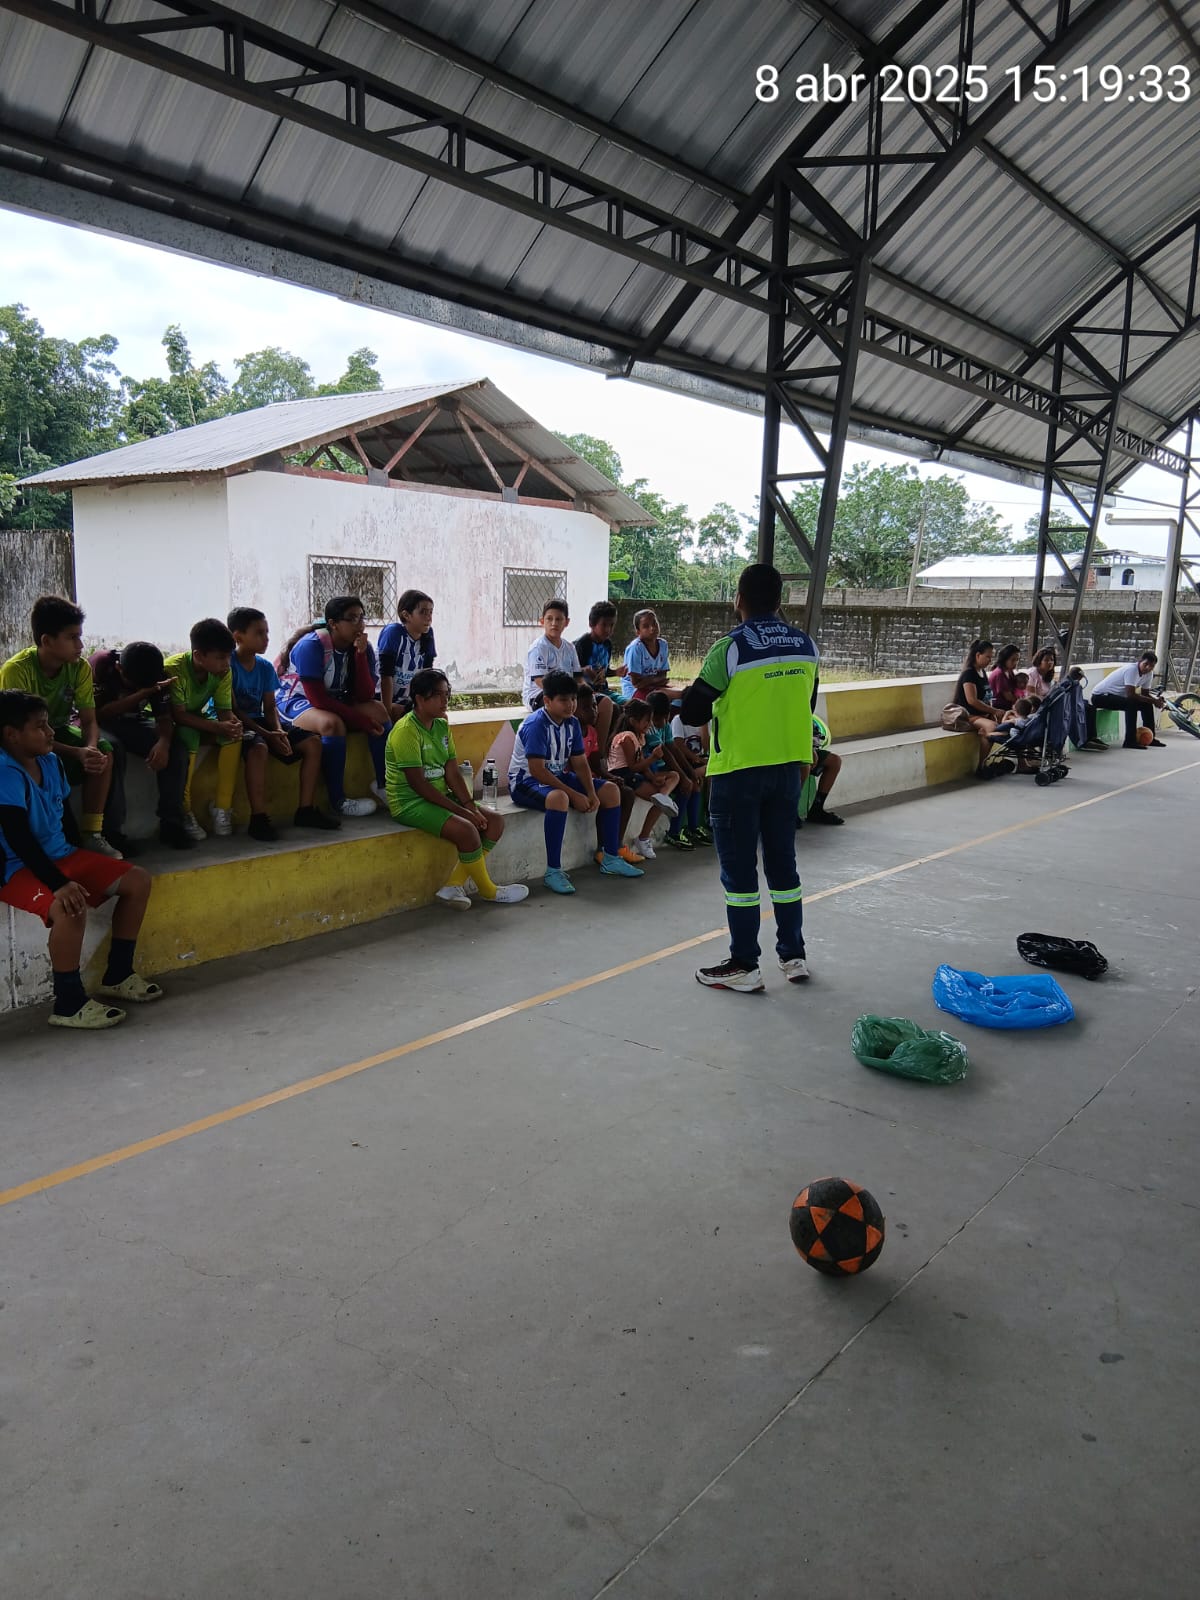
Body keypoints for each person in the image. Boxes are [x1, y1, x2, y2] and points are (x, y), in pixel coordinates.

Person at [680, 563, 819, 992]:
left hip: (738, 773)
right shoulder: (805, 645)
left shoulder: (731, 648)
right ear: (779, 601)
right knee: (783, 867)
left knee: (740, 876)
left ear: (738, 599)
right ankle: (793, 956)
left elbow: (694, 711)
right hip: (787, 771)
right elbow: (807, 703)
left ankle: (744, 963)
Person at [0, 690, 162, 1029]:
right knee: (69, 906)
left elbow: (64, 818)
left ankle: (118, 974)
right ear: (11, 735)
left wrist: (82, 861)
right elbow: (19, 838)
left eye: (48, 724)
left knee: (138, 880)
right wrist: (60, 883)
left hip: (60, 854)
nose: (51, 733)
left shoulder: (49, 761)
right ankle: (68, 1003)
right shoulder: (5, 772)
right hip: (15, 866)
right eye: (40, 726)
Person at [385, 668, 527, 908]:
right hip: (410, 801)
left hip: (439, 795)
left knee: (494, 822)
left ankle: (453, 885)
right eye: (438, 695)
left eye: (447, 694)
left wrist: (471, 806)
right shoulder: (405, 731)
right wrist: (464, 813)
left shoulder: (441, 726)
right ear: (419, 699)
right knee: (467, 830)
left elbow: (451, 772)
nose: (445, 700)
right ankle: (489, 891)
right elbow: (419, 785)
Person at [0, 594, 120, 858]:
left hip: (56, 732)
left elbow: (89, 720)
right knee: (44, 761)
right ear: (47, 641)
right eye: (72, 637)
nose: (80, 645)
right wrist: (76, 752)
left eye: (80, 636)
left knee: (104, 752)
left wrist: (89, 749)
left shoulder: (79, 668)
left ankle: (92, 833)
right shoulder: (16, 670)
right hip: (24, 740)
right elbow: (20, 735)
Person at [508, 670, 643, 894]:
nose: (570, 705)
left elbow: (580, 763)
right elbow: (538, 771)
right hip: (526, 781)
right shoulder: (536, 725)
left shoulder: (571, 723)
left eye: (572, 699)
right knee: (559, 798)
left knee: (611, 791)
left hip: (556, 777)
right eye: (563, 700)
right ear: (547, 700)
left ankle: (610, 857)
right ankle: (553, 871)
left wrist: (590, 792)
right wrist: (574, 795)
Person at [227, 607, 339, 839]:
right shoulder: (228, 665)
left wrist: (278, 731)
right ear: (238, 637)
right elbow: (234, 710)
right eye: (259, 633)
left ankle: (305, 810)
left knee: (313, 743)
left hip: (260, 721)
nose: (266, 638)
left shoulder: (265, 666)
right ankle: (258, 818)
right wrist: (268, 735)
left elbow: (270, 707)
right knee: (258, 749)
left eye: (267, 632)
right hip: (235, 722)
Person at [275, 596, 389, 818]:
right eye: (352, 618)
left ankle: (384, 785)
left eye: (362, 618)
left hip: (333, 699)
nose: (360, 624)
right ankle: (338, 800)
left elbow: (365, 695)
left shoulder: (362, 647)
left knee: (378, 711)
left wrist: (360, 656)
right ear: (333, 623)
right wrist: (360, 721)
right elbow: (319, 700)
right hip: (295, 701)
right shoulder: (311, 646)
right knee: (331, 723)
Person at [90, 640, 191, 851]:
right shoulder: (102, 665)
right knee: (112, 750)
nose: (137, 688)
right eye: (133, 684)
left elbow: (164, 718)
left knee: (177, 749)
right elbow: (96, 715)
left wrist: (163, 743)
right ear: (119, 668)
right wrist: (144, 692)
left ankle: (171, 824)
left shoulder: (156, 673)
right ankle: (112, 832)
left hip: (133, 722)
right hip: (97, 724)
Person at [164, 618, 244, 841]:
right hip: (167, 721)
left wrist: (232, 724)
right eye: (220, 657)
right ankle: (185, 810)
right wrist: (218, 726)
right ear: (199, 656)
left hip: (197, 717)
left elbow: (224, 709)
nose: (227, 663)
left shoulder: (222, 672)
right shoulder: (173, 669)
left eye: (229, 657)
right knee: (188, 735)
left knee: (234, 737)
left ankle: (222, 808)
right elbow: (178, 715)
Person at [575, 682, 642, 866]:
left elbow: (595, 762)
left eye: (594, 706)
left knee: (627, 792)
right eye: (586, 708)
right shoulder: (572, 731)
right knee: (610, 793)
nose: (593, 711)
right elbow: (575, 766)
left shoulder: (592, 731)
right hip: (576, 780)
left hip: (591, 778)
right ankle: (604, 849)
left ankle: (616, 845)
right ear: (574, 708)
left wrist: (609, 776)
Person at [606, 697, 680, 861]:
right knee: (659, 801)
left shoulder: (639, 736)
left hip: (635, 774)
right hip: (623, 774)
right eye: (646, 720)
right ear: (633, 721)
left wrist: (653, 778)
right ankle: (643, 837)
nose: (649, 724)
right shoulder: (626, 737)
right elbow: (633, 766)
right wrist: (654, 757)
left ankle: (663, 797)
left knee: (674, 776)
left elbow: (641, 764)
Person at [646, 690, 704, 850]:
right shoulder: (649, 727)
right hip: (650, 769)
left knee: (693, 782)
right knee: (686, 783)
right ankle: (674, 832)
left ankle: (693, 828)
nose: (660, 722)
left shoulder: (664, 725)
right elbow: (666, 753)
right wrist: (684, 777)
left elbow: (674, 749)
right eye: (657, 719)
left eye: (663, 718)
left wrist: (690, 773)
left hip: (661, 766)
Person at [377, 589, 436, 722]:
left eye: (431, 612)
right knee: (409, 717)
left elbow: (427, 675)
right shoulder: (393, 633)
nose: (429, 618)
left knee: (440, 718)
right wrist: (387, 713)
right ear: (406, 615)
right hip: (383, 699)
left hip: (408, 700)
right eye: (423, 612)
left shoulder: (428, 635)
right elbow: (386, 676)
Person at [1086, 653, 1166, 748]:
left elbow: (1145, 694)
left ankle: (1151, 738)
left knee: (1146, 705)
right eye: (1146, 664)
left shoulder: (1149, 674)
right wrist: (1154, 701)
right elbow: (1131, 695)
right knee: (1131, 704)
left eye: (1151, 666)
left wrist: (1156, 700)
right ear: (1140, 662)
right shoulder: (1132, 670)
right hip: (1100, 697)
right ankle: (1130, 741)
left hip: (1116, 697)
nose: (1148, 668)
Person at [523, 598, 583, 709]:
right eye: (549, 619)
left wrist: (587, 691)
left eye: (559, 619)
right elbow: (540, 681)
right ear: (542, 621)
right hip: (540, 695)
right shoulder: (538, 648)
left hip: (567, 694)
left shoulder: (570, 648)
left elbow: (578, 678)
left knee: (603, 703)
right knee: (565, 705)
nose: (554, 623)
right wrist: (565, 693)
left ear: (566, 622)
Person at [953, 639, 1000, 773]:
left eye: (991, 657)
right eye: (988, 657)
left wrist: (991, 713)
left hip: (982, 714)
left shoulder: (982, 672)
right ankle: (982, 765)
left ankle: (1021, 763)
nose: (990, 661)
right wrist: (994, 711)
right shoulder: (969, 674)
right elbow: (972, 700)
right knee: (991, 727)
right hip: (969, 715)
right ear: (978, 655)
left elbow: (986, 697)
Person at [797, 715, 844, 826]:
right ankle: (790, 810)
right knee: (805, 765)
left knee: (835, 761)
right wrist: (808, 750)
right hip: (790, 749)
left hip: (805, 746)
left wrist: (812, 747)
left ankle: (817, 808)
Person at [621, 608, 670, 700]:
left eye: (654, 623)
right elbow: (636, 683)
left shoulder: (663, 645)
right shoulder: (636, 648)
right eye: (646, 626)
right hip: (634, 692)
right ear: (638, 631)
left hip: (654, 688)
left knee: (681, 697)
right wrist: (656, 679)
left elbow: (663, 676)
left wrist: (648, 680)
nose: (652, 628)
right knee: (660, 700)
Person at [987, 644, 1022, 714]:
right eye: (1013, 660)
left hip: (1009, 707)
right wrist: (1022, 702)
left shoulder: (1009, 671)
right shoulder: (999, 674)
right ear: (1005, 659)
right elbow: (1008, 697)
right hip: (1000, 709)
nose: (1015, 663)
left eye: (1017, 660)